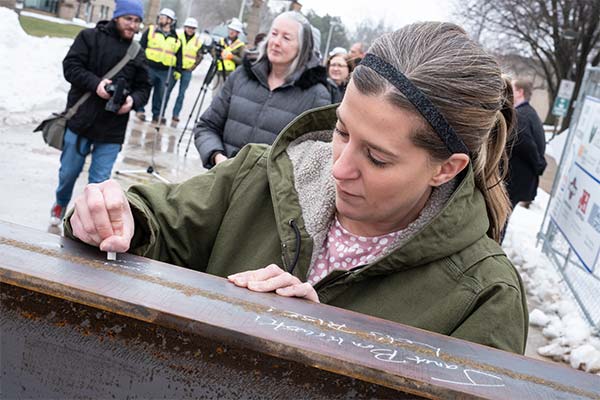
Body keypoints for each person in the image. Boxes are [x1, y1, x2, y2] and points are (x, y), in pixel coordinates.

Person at [64, 22, 527, 354]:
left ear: (446, 169)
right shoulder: (257, 176)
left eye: (378, 158)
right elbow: (160, 222)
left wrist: (323, 345)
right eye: (342, 132)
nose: (339, 168)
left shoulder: (485, 297)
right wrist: (119, 216)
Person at [49, 0, 150, 226]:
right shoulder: (89, 37)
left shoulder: (137, 52)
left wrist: (132, 101)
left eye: (137, 21)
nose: (132, 25)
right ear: (117, 17)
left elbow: (145, 87)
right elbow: (71, 67)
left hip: (112, 130)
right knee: (68, 174)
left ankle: (85, 225)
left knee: (99, 184)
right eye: (128, 19)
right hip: (80, 120)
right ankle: (60, 202)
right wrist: (97, 85)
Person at [194, 11, 331, 169]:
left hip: (269, 192)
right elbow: (206, 126)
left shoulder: (317, 96)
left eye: (286, 38)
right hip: (222, 183)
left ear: (303, 47)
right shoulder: (241, 76)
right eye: (274, 34)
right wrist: (217, 157)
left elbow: (313, 162)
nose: (276, 42)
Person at [135, 8, 182, 124]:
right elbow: (141, 47)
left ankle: (157, 115)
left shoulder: (175, 38)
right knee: (145, 89)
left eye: (163, 17)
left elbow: (179, 54)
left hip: (165, 71)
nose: (160, 19)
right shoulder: (151, 31)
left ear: (170, 21)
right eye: (160, 16)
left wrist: (178, 70)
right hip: (149, 67)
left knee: (160, 94)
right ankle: (140, 110)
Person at [506, 79, 547, 209]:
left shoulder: (521, 115)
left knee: (499, 219)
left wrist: (539, 165)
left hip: (516, 179)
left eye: (511, 89)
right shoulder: (529, 113)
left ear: (519, 92)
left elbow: (527, 145)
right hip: (520, 180)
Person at [168, 17, 203, 128]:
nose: (190, 30)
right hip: (175, 68)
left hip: (187, 71)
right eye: (188, 27)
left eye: (192, 28)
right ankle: (160, 112)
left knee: (181, 94)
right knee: (167, 90)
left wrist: (193, 67)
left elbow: (200, 56)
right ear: (185, 27)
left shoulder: (197, 41)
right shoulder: (178, 37)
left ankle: (175, 114)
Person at [212, 17, 246, 95]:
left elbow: (242, 61)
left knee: (224, 96)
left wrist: (231, 57)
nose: (232, 32)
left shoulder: (240, 45)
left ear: (238, 33)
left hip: (229, 74)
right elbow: (213, 53)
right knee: (215, 95)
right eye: (231, 29)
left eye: (234, 31)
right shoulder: (221, 41)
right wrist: (217, 54)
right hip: (218, 72)